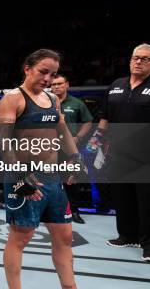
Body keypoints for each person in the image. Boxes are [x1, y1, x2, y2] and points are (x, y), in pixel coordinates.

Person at [0, 49, 81, 289]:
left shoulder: (53, 99)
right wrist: (20, 177)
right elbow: (4, 142)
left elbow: (62, 130)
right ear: (27, 68)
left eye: (52, 74)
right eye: (43, 72)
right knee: (21, 238)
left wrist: (75, 156)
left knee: (64, 237)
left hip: (52, 178)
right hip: (25, 176)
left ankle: (70, 286)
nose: (48, 79)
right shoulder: (13, 98)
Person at [91, 44, 150, 263]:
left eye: (144, 59)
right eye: (135, 58)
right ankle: (127, 235)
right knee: (123, 197)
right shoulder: (117, 85)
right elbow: (105, 116)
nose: (138, 62)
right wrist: (95, 143)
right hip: (120, 152)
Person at [51, 74, 93, 224]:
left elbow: (88, 122)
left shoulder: (76, 103)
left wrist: (78, 137)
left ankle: (74, 211)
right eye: (53, 84)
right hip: (49, 148)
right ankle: (51, 210)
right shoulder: (44, 103)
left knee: (72, 180)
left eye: (59, 84)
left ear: (67, 85)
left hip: (70, 148)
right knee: (50, 179)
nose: (56, 86)